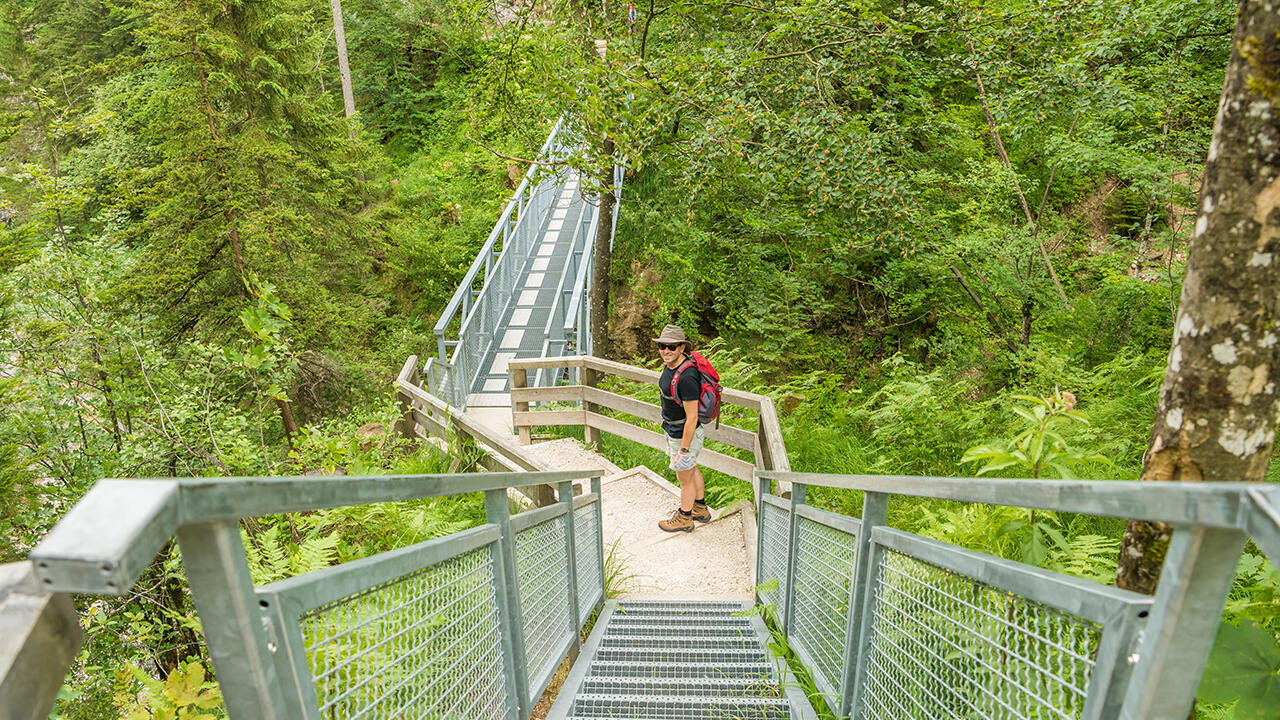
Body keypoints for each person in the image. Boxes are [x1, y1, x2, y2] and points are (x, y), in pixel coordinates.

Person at [653, 324, 711, 531]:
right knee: (691, 469)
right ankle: (700, 508)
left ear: (682, 348)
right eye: (662, 346)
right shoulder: (671, 367)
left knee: (683, 476)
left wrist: (684, 449)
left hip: (684, 434)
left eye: (672, 347)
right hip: (674, 430)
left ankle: (685, 517)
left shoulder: (686, 377)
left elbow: (692, 416)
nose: (666, 351)